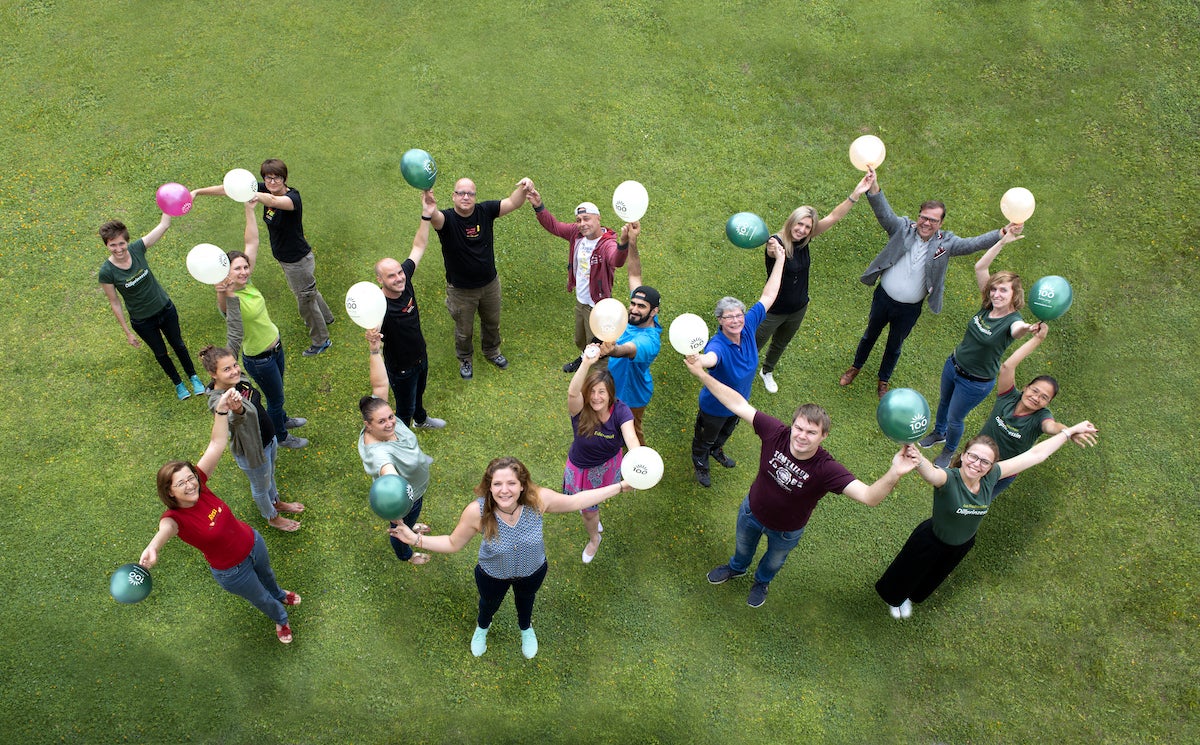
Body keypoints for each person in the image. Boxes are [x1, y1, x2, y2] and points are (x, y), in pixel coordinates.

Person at [685, 355, 918, 608]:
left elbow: (869, 497)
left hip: (786, 532)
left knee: (773, 562)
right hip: (751, 512)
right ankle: (737, 568)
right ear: (792, 425)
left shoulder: (826, 468)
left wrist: (895, 472)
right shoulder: (776, 433)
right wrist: (702, 374)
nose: (802, 436)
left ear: (823, 436)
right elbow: (738, 403)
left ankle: (762, 581)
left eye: (811, 432)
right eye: (799, 428)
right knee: (742, 548)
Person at [389, 457, 631, 659]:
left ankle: (525, 627)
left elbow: (577, 500)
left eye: (511, 483)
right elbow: (453, 543)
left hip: (533, 571)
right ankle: (482, 627)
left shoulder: (538, 500)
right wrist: (414, 540)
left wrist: (619, 486)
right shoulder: (477, 512)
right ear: (489, 487)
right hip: (492, 575)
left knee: (526, 601)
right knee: (488, 605)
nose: (504, 490)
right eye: (497, 484)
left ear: (522, 485)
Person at [875, 421, 1099, 620]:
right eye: (973, 456)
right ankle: (895, 599)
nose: (977, 464)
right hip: (931, 541)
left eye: (984, 461)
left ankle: (911, 596)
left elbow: (1035, 455)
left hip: (962, 545)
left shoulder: (991, 477)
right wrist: (917, 457)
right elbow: (931, 472)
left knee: (933, 576)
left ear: (991, 466)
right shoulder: (948, 479)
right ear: (964, 456)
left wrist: (1069, 432)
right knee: (908, 571)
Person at [840, 168, 1021, 398]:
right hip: (883, 298)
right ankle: (855, 367)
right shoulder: (902, 229)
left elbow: (973, 244)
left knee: (894, 345)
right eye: (924, 217)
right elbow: (883, 213)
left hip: (909, 308)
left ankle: (883, 380)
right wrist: (873, 185)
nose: (926, 223)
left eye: (933, 220)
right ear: (918, 216)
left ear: (941, 223)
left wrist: (1003, 232)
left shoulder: (946, 244)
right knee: (869, 335)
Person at [139, 395, 302, 644]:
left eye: (191, 477)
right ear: (169, 492)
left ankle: (279, 593)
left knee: (268, 575)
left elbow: (216, 443)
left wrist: (222, 410)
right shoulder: (174, 518)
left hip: (252, 542)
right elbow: (165, 530)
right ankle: (281, 619)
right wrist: (153, 546)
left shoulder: (201, 485)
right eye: (181, 483)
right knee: (260, 598)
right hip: (232, 572)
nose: (190, 485)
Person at [917, 227, 1033, 468]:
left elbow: (1018, 330)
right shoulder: (988, 305)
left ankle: (949, 451)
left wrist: (1027, 329)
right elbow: (980, 267)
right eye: (994, 289)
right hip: (953, 364)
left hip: (975, 382)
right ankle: (939, 433)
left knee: (955, 417)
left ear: (1014, 294)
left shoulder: (1013, 321)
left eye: (1003, 290)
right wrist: (1002, 242)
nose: (996, 294)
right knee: (943, 403)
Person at [193, 159, 334, 356]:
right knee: (307, 290)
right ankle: (326, 317)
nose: (273, 182)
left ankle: (321, 340)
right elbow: (228, 189)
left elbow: (274, 201)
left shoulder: (292, 198)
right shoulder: (265, 189)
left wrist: (251, 194)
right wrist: (198, 192)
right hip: (285, 258)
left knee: (305, 299)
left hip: (297, 261)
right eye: (269, 178)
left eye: (277, 178)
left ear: (285, 178)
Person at [757, 171, 875, 394]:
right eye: (799, 224)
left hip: (798, 308)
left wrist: (856, 193)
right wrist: (774, 250)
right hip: (772, 310)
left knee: (781, 343)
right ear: (792, 222)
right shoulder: (776, 242)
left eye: (807, 227)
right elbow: (772, 250)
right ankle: (738, 372)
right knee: (754, 344)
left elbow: (834, 217)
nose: (802, 230)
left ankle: (767, 371)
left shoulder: (805, 239)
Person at [690, 241, 786, 487]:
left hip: (740, 403)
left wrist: (780, 260)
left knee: (725, 432)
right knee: (705, 437)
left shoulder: (749, 325)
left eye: (738, 315)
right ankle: (700, 461)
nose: (735, 320)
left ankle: (717, 449)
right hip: (714, 407)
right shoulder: (718, 345)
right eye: (729, 317)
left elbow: (769, 295)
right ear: (720, 321)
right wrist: (699, 360)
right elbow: (710, 358)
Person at [214, 201, 308, 449]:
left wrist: (249, 210)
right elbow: (227, 312)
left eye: (245, 267)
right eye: (237, 269)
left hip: (276, 348)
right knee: (275, 399)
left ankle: (282, 420)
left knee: (279, 394)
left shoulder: (247, 283)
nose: (244, 271)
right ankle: (281, 436)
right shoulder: (231, 300)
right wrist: (222, 291)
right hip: (260, 359)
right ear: (226, 273)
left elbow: (252, 242)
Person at [976, 324, 1097, 498]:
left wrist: (1068, 432)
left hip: (1001, 472)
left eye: (1044, 397)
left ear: (1048, 403)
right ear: (1026, 387)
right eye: (1035, 391)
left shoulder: (1041, 417)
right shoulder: (1008, 396)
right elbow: (1007, 367)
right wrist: (1038, 339)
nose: (1036, 398)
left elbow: (1052, 427)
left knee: (975, 504)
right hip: (975, 456)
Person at [429, 176, 533, 379]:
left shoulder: (485, 211)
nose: (466, 197)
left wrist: (525, 187)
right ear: (453, 196)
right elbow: (435, 218)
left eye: (470, 193)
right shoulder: (447, 219)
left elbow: (513, 203)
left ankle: (492, 351)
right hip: (461, 290)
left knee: (492, 322)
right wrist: (430, 206)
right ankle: (465, 358)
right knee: (464, 330)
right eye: (461, 193)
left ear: (475, 197)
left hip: (490, 285)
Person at [97, 214, 205, 400]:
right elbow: (115, 302)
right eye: (113, 245)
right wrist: (127, 333)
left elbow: (164, 225)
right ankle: (178, 384)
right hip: (142, 321)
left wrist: (169, 205)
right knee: (161, 353)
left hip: (165, 309)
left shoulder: (137, 249)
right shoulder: (106, 272)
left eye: (121, 243)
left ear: (127, 241)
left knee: (178, 344)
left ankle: (194, 377)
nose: (118, 249)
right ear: (106, 245)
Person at [199, 344, 304, 532]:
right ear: (213, 374)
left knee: (269, 475)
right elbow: (231, 420)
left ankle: (277, 502)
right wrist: (238, 410)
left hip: (268, 439)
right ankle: (272, 517)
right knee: (261, 488)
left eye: (235, 365)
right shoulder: (218, 401)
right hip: (252, 452)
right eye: (227, 369)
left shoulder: (239, 380)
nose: (234, 371)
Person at [527, 186, 628, 372]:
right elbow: (554, 226)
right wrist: (538, 205)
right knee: (580, 340)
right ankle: (584, 358)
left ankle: (599, 378)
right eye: (579, 220)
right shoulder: (577, 234)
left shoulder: (607, 244)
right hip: (581, 300)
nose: (582, 224)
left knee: (598, 348)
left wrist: (623, 244)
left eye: (586, 218)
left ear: (598, 218)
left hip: (597, 305)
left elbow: (616, 260)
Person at [360, 329, 435, 565]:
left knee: (410, 521)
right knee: (400, 530)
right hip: (408, 500)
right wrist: (399, 517)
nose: (390, 423)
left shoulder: (380, 418)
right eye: (382, 421)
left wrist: (374, 350)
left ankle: (412, 524)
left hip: (415, 489)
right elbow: (388, 472)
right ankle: (406, 554)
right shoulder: (379, 454)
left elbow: (380, 384)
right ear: (368, 425)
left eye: (391, 416)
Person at [374, 190, 446, 430]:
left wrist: (426, 214)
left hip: (420, 355)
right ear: (380, 280)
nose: (399, 278)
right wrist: (373, 337)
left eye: (399, 272)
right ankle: (402, 441)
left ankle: (421, 419)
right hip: (401, 369)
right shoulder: (378, 306)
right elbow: (374, 334)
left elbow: (418, 246)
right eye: (391, 276)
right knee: (404, 410)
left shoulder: (405, 277)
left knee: (419, 394)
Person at [565, 342, 640, 563]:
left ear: (610, 394)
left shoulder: (621, 411)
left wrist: (637, 464)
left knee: (588, 511)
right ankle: (593, 519)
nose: (596, 397)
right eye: (592, 392)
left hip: (606, 466)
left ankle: (594, 539)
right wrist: (586, 363)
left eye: (602, 392)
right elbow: (572, 392)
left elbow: (631, 438)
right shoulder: (580, 409)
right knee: (586, 507)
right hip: (578, 466)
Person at [600, 227, 660, 446]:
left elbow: (627, 350)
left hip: (633, 395)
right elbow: (634, 274)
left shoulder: (649, 341)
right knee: (610, 422)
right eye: (633, 303)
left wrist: (612, 350)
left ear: (653, 312)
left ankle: (640, 462)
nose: (634, 309)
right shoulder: (636, 317)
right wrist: (632, 242)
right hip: (614, 383)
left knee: (633, 432)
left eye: (641, 306)